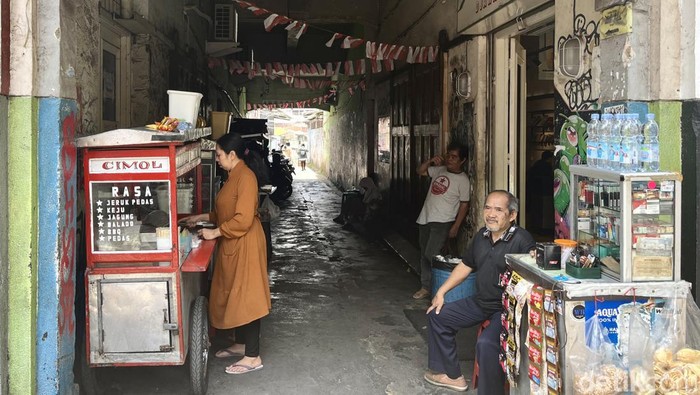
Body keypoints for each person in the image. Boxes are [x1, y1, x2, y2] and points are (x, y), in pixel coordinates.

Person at [423, 190, 535, 393]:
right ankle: (451, 375)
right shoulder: (481, 236)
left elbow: (531, 280)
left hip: (505, 309)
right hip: (480, 302)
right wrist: (441, 292)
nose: (491, 214)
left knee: (486, 344)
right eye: (488, 207)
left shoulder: (522, 241)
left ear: (512, 215)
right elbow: (465, 266)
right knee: (437, 315)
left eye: (498, 209)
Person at [182, 133, 271, 375]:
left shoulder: (246, 178)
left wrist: (215, 233)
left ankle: (253, 356)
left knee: (249, 297)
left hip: (246, 243)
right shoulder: (233, 176)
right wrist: (200, 218)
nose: (218, 160)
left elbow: (241, 219)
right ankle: (242, 344)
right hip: (235, 243)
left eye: (219, 155)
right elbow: (224, 210)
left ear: (232, 155)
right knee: (237, 293)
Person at [413, 142, 471, 300]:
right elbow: (420, 171)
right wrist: (430, 161)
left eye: (454, 157)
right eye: (448, 155)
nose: (450, 159)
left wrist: (456, 226)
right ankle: (426, 286)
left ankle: (438, 287)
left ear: (463, 160)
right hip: (425, 218)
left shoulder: (463, 180)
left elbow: (464, 204)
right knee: (424, 253)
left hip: (443, 221)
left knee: (431, 254)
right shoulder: (439, 170)